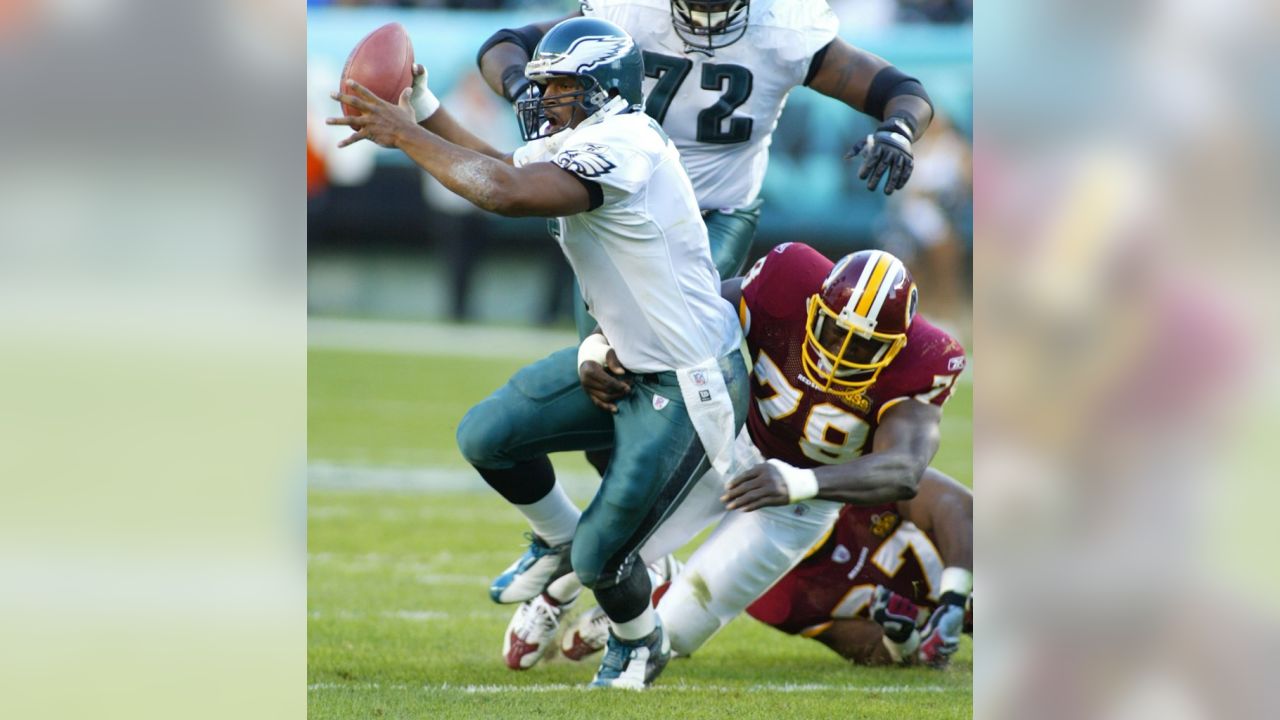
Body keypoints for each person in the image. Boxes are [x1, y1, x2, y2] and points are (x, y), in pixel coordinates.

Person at [328, 17, 750, 690]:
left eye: (559, 88)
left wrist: (402, 134)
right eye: (543, 85)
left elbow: (505, 193)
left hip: (689, 378)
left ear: (605, 91)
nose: (541, 99)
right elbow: (496, 166)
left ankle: (641, 643)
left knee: (604, 556)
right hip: (627, 363)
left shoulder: (627, 142)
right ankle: (555, 537)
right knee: (489, 436)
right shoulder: (581, 137)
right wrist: (423, 109)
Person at [506, 242, 966, 668]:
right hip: (726, 441)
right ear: (814, 306)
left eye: (866, 345)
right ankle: (553, 595)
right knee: (612, 537)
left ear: (897, 346)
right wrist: (599, 343)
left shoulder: (926, 360)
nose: (842, 353)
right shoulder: (789, 279)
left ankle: (638, 600)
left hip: (800, 503)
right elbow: (686, 313)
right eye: (834, 330)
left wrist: (798, 482)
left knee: (677, 634)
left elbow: (905, 471)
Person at [475, 0, 935, 337]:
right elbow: (507, 44)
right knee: (599, 363)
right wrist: (521, 86)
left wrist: (900, 128)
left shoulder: (783, 26)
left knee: (644, 338)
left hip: (716, 210)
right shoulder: (632, 11)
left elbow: (899, 88)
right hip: (620, 205)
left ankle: (730, 448)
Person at [744, 466, 972, 667]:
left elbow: (959, 507)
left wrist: (954, 598)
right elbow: (874, 650)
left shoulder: (856, 479)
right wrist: (899, 638)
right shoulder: (771, 593)